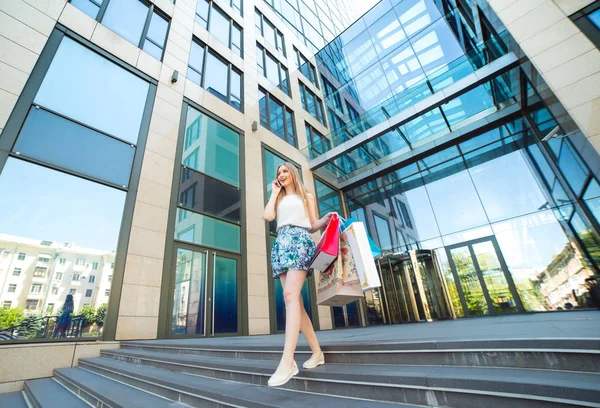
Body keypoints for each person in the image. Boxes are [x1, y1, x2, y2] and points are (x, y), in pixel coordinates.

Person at [263, 163, 335, 387]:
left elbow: (312, 225)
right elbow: (267, 216)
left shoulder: (307, 196)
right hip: (282, 242)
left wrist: (326, 219)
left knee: (290, 296)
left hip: (300, 241)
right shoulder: (279, 196)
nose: (281, 175)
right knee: (295, 302)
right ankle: (317, 353)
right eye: (278, 173)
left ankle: (288, 361)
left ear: (292, 173)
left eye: (284, 171)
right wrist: (274, 193)